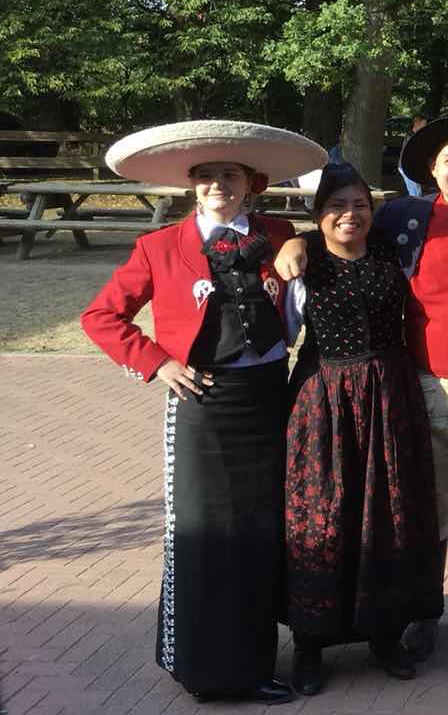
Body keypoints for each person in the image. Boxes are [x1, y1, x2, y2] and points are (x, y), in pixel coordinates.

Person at [275, 115, 448, 663]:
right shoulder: (403, 217)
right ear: (432, 168)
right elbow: (343, 225)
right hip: (427, 383)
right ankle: (426, 611)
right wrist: (296, 239)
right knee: (427, 504)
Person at [81, 120, 328, 705]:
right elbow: (101, 317)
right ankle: (207, 670)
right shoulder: (159, 246)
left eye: (230, 174)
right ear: (192, 186)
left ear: (251, 183)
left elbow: (312, 248)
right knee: (204, 537)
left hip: (269, 398)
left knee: (261, 534)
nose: (219, 184)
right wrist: (157, 362)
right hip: (203, 404)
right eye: (207, 175)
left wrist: (300, 241)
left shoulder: (275, 233)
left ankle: (256, 664)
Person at [281, 163, 444, 695]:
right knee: (322, 517)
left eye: (359, 205)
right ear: (317, 215)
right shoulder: (304, 262)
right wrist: (295, 242)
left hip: (389, 397)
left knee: (387, 514)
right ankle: (310, 643)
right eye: (336, 206)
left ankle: (385, 633)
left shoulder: (392, 253)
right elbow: (281, 330)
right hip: (324, 401)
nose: (349, 215)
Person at [401, 115, 429, 197]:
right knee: (416, 193)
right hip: (407, 167)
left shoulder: (415, 136)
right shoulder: (411, 138)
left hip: (410, 167)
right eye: (423, 124)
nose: (425, 127)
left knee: (416, 191)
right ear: (416, 123)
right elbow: (410, 155)